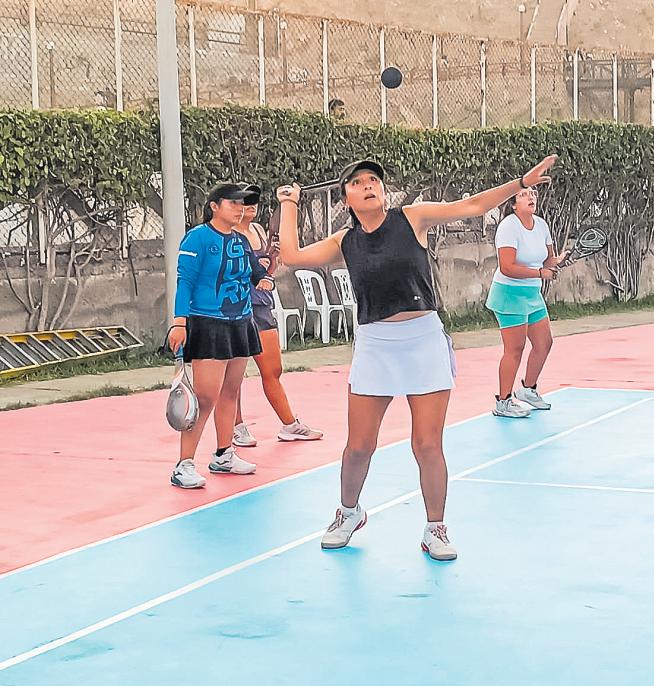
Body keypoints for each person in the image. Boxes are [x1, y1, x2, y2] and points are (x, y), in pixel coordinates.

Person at [276, 155, 558, 561]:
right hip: (375, 345)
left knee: (427, 444)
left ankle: (435, 528)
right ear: (345, 198)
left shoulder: (413, 217)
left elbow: (472, 205)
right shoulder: (344, 242)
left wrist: (520, 183)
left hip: (423, 341)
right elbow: (291, 255)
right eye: (358, 182)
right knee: (359, 447)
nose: (369, 185)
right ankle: (349, 512)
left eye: (374, 179)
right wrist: (289, 203)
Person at [167, 183, 275, 489]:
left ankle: (224, 454)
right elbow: (185, 281)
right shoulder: (197, 238)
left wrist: (266, 278)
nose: (240, 208)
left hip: (241, 323)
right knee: (205, 398)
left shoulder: (241, 240)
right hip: (208, 324)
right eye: (233, 203)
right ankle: (184, 464)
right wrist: (179, 323)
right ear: (214, 206)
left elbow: (256, 272)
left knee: (231, 392)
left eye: (243, 204)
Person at [230, 186, 323, 447]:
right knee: (234, 375)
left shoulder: (259, 231)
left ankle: (290, 425)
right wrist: (250, 270)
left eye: (254, 201)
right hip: (236, 308)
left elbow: (267, 273)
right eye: (243, 201)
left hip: (261, 306)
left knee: (273, 369)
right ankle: (236, 426)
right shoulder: (227, 235)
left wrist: (272, 260)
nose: (250, 205)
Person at [486, 187, 565, 419]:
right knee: (515, 349)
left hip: (532, 294)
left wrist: (559, 261)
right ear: (513, 204)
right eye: (523, 194)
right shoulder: (508, 227)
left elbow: (548, 260)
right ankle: (503, 402)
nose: (530, 197)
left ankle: (528, 390)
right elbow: (507, 267)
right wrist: (541, 273)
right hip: (509, 294)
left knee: (544, 343)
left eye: (532, 193)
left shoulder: (541, 225)